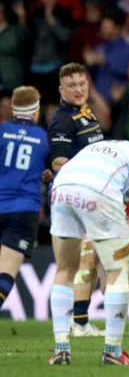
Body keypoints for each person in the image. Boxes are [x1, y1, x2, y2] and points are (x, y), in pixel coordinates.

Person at [47, 141, 129, 365]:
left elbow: (97, 233)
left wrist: (103, 274)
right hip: (97, 188)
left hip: (62, 184)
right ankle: (113, 353)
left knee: (64, 270)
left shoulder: (122, 154)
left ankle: (61, 351)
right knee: (119, 273)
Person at [47, 62, 107, 337]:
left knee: (92, 259)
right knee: (81, 261)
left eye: (82, 84)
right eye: (72, 85)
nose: (79, 89)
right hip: (75, 197)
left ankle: (80, 321)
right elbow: (59, 162)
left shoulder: (87, 114)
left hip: (91, 194)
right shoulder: (63, 119)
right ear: (62, 89)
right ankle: (74, 322)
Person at [0, 87, 50, 310]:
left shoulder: (1, 131)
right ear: (36, 110)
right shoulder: (43, 137)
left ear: (13, 107)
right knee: (6, 272)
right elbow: (56, 170)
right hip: (25, 210)